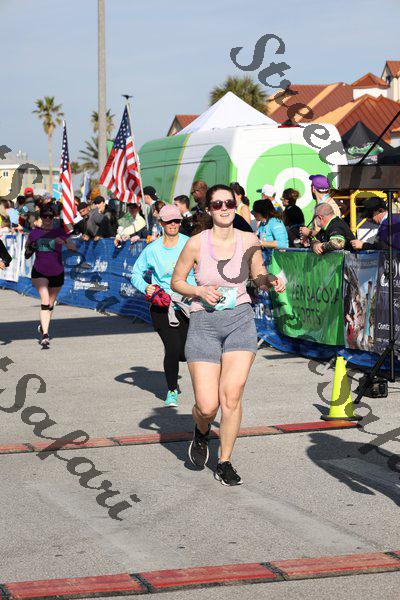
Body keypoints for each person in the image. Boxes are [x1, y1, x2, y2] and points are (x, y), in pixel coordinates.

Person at [171, 184, 285, 486]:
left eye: (229, 203)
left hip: (239, 321)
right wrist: (199, 291)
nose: (224, 208)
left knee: (232, 396)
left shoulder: (249, 239)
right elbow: (176, 281)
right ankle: (201, 430)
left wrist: (271, 280)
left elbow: (258, 275)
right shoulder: (196, 243)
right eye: (218, 204)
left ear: (236, 206)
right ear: (209, 209)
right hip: (204, 325)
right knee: (207, 406)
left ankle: (225, 461)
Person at [131, 204, 196, 407]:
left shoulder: (190, 243)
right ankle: (172, 390)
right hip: (162, 306)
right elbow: (135, 274)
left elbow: (204, 267)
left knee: (186, 352)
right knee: (173, 348)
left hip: (187, 304)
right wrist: (146, 287)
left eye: (176, 220)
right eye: (169, 221)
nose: (173, 224)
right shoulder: (153, 249)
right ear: (161, 223)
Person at [25, 205, 76, 348]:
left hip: (57, 272)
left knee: (50, 305)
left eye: (50, 216)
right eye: (45, 216)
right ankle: (45, 335)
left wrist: (64, 242)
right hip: (39, 271)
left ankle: (43, 326)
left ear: (53, 218)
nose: (47, 219)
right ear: (41, 217)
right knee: (45, 301)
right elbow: (27, 251)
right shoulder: (35, 233)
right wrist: (32, 247)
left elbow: (73, 247)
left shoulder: (59, 232)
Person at [300, 175, 341, 244]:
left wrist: (308, 233)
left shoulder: (327, 206)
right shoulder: (327, 203)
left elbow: (327, 233)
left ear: (313, 188)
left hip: (328, 247)